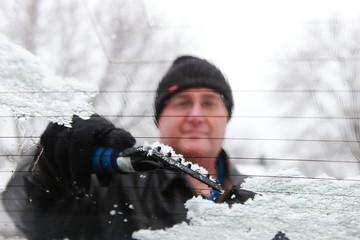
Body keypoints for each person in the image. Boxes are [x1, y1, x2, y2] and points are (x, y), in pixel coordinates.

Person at [2, 56, 255, 239]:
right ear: (160, 119)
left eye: (209, 103)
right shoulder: (111, 185)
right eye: (182, 103)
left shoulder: (260, 201)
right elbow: (30, 218)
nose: (196, 116)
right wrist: (49, 165)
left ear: (226, 116)